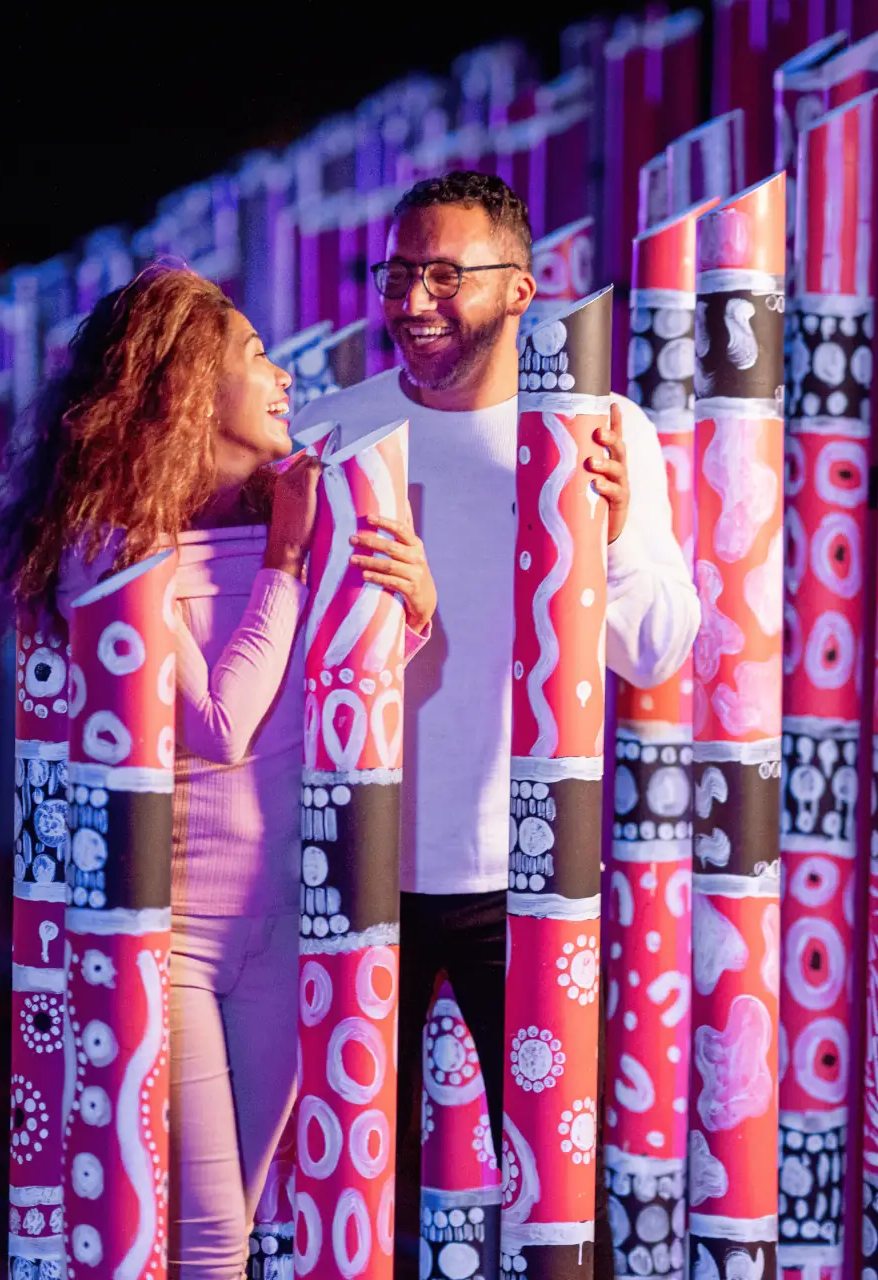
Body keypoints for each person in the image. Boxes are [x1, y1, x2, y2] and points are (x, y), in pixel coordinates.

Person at [0, 263, 436, 1278]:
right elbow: (221, 723)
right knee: (210, 1236)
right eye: (257, 356)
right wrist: (284, 563)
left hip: (285, 925)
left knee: (238, 1219)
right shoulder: (116, 547)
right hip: (170, 936)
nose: (284, 378)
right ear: (189, 382)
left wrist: (413, 611)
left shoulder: (293, 517)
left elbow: (334, 693)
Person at [288, 171, 700, 1274]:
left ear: (521, 288)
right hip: (344, 865)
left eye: (444, 276)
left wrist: (605, 537)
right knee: (332, 1197)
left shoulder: (602, 431)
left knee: (555, 1197)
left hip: (525, 879)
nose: (414, 301)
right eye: (398, 275)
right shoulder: (330, 434)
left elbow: (657, 646)